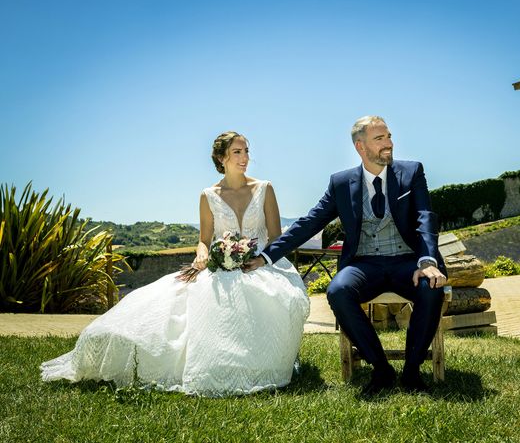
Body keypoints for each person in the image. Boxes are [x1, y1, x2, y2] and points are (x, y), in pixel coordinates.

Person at [41, 131, 310, 396]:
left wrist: (260, 260)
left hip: (260, 263)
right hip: (221, 265)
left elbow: (276, 237)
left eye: (246, 151)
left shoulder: (265, 189)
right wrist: (203, 255)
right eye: (237, 152)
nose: (245, 158)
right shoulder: (208, 195)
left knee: (273, 296)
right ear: (221, 158)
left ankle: (259, 364)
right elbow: (204, 239)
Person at [245, 116, 447, 394]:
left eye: (388, 136)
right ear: (360, 147)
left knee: (431, 287)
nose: (388, 143)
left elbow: (425, 217)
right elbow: (310, 222)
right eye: (380, 139)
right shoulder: (341, 183)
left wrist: (427, 261)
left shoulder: (411, 172)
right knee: (337, 290)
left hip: (408, 260)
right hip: (364, 264)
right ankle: (381, 369)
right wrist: (266, 256)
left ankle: (412, 372)